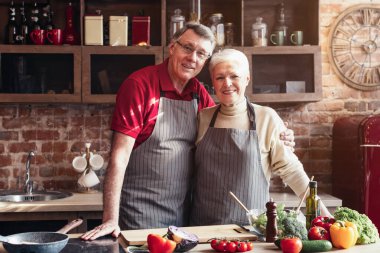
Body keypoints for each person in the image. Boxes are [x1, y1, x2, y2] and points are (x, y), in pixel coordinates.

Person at [81, 23, 295, 241]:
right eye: (187, 48)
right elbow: (119, 156)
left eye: (201, 53)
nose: (193, 58)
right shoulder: (140, 85)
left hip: (184, 217)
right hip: (140, 215)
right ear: (172, 47)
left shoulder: (198, 93)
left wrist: (278, 135)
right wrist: (110, 218)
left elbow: (229, 122)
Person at [189, 49, 331, 226]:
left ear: (247, 78)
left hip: (253, 230)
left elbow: (292, 170)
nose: (227, 83)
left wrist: (326, 218)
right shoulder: (202, 117)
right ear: (213, 82)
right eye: (220, 77)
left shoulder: (266, 117)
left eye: (234, 76)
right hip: (203, 227)